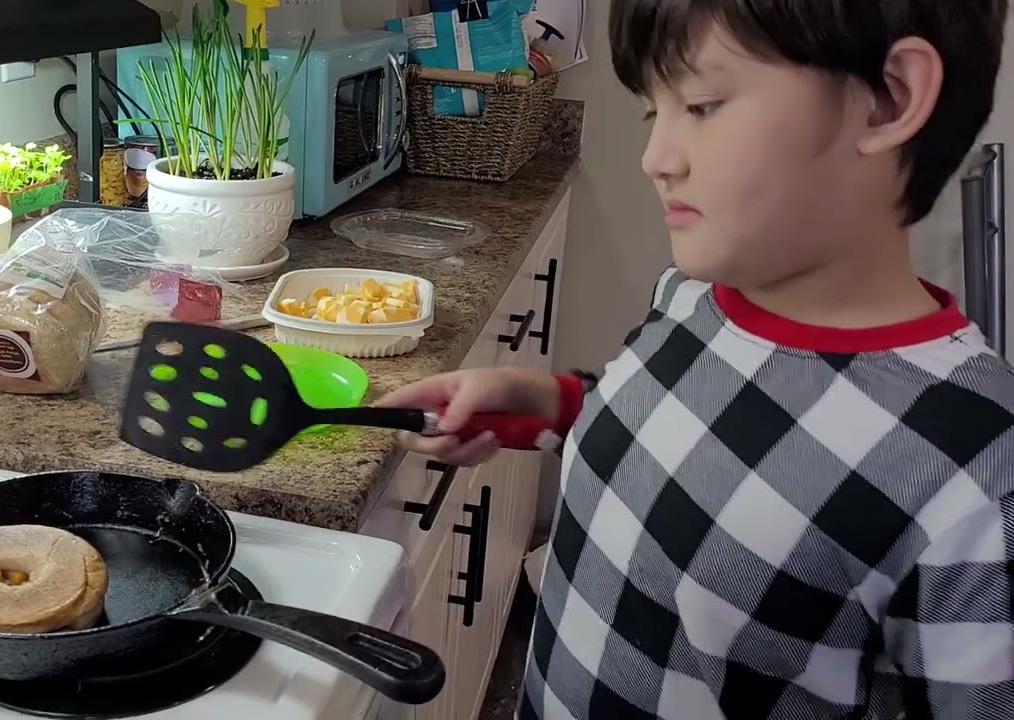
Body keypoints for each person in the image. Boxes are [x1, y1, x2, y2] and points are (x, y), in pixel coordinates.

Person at [375, 1, 1014, 717]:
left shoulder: (979, 472)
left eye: (703, 106)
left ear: (889, 99)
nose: (655, 159)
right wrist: (545, 402)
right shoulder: (690, 296)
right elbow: (685, 427)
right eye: (656, 112)